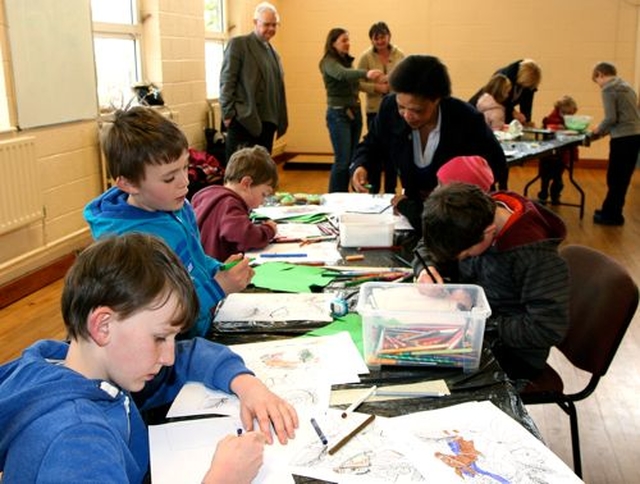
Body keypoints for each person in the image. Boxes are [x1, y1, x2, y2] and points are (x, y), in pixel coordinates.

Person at [0, 233, 298, 483]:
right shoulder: (77, 443)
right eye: (159, 338)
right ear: (103, 326)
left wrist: (247, 385)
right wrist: (222, 479)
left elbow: (189, 354)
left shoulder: (85, 364)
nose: (169, 357)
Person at [84, 107, 254, 339]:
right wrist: (217, 287)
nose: (185, 182)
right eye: (169, 177)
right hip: (169, 350)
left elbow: (194, 260)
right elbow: (161, 315)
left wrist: (218, 268)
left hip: (201, 326)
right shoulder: (132, 245)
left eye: (185, 167)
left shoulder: (178, 206)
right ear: (129, 184)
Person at [412, 182, 570, 381]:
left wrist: (478, 322)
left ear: (488, 233)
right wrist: (426, 269)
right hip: (472, 329)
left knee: (418, 374)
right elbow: (429, 244)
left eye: (465, 254)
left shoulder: (536, 257)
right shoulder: (471, 215)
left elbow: (548, 328)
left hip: (513, 356)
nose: (460, 259)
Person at [350, 55, 508, 233]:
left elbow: (497, 164)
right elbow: (372, 143)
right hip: (412, 212)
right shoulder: (389, 109)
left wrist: (458, 195)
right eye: (402, 107)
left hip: (456, 217)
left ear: (437, 99)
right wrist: (361, 165)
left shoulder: (466, 119)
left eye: (417, 110)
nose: (407, 115)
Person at [219, 2, 287, 162]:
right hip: (244, 121)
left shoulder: (273, 53)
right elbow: (227, 81)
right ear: (255, 22)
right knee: (239, 172)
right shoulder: (239, 44)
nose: (271, 28)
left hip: (267, 124)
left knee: (261, 173)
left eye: (274, 25)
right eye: (266, 24)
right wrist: (228, 114)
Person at [319, 27, 384, 193]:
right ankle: (336, 198)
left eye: (348, 40)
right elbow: (342, 75)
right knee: (342, 160)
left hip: (354, 112)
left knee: (352, 159)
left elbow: (356, 83)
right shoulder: (328, 62)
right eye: (343, 40)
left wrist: (376, 87)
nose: (348, 44)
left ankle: (351, 196)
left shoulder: (346, 60)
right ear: (333, 43)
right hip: (338, 114)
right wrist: (366, 72)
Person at [192, 145, 279, 261]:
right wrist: (268, 230)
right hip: (218, 272)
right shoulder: (230, 204)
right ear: (246, 183)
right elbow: (246, 236)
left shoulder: (206, 195)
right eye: (264, 194)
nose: (263, 202)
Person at [357, 21, 405, 193]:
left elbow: (405, 79)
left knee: (392, 154)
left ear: (389, 36)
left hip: (396, 111)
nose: (380, 41)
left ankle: (391, 191)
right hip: (374, 111)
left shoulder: (400, 54)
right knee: (375, 152)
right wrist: (376, 88)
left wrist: (391, 84)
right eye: (376, 38)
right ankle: (374, 190)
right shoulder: (365, 57)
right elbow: (358, 83)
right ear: (371, 40)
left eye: (383, 37)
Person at [590, 61, 640, 226]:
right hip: (635, 136)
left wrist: (596, 130)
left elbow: (611, 118)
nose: (599, 85)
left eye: (597, 81)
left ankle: (612, 216)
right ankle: (610, 210)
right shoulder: (628, 87)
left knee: (615, 177)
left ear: (600, 75)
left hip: (622, 139)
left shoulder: (609, 89)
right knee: (622, 178)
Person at [469, 59, 542, 125]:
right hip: (476, 113)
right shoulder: (503, 78)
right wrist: (514, 112)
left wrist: (527, 121)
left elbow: (527, 104)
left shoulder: (527, 85)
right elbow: (499, 99)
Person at [537, 95, 579, 205]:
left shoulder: (561, 118)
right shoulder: (552, 119)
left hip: (559, 154)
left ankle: (551, 195)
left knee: (555, 178)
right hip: (550, 153)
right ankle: (546, 194)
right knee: (548, 177)